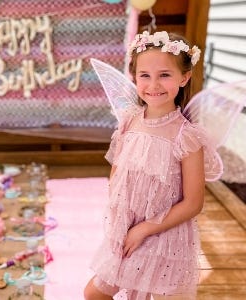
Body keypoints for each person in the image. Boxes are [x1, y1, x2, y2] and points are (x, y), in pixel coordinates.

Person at [84, 31, 223, 300]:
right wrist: (118, 216)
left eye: (165, 75)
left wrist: (145, 228)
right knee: (94, 293)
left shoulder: (186, 135)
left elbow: (194, 203)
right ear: (134, 77)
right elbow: (117, 169)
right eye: (145, 75)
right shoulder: (129, 121)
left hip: (163, 233)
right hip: (126, 227)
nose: (153, 84)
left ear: (184, 77)